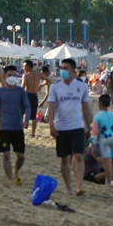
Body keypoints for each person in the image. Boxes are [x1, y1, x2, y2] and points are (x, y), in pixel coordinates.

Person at [46, 58, 93, 196]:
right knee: (64, 158)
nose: (63, 70)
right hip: (61, 127)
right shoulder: (55, 87)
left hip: (77, 126)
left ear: (73, 71)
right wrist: (51, 125)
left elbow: (85, 107)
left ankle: (79, 186)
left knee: (78, 156)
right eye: (62, 68)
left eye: (66, 68)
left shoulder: (81, 86)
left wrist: (88, 126)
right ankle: (68, 187)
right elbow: (51, 107)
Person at [0, 65, 31, 184]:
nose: (12, 77)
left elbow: (27, 106)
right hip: (4, 128)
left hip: (17, 128)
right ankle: (11, 178)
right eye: (10, 75)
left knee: (21, 156)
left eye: (14, 75)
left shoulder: (21, 91)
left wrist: (26, 119)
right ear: (4, 76)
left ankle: (16, 171)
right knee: (6, 154)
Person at [90, 93, 113, 186]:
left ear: (100, 103)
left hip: (104, 139)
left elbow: (95, 133)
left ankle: (109, 182)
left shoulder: (97, 116)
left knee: (107, 162)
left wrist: (93, 144)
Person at [21, 59, 50, 136]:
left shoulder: (26, 75)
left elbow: (22, 87)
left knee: (21, 112)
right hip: (34, 95)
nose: (23, 68)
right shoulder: (38, 74)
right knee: (33, 116)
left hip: (27, 94)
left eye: (24, 66)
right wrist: (41, 85)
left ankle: (20, 129)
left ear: (28, 67)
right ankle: (33, 133)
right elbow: (48, 80)